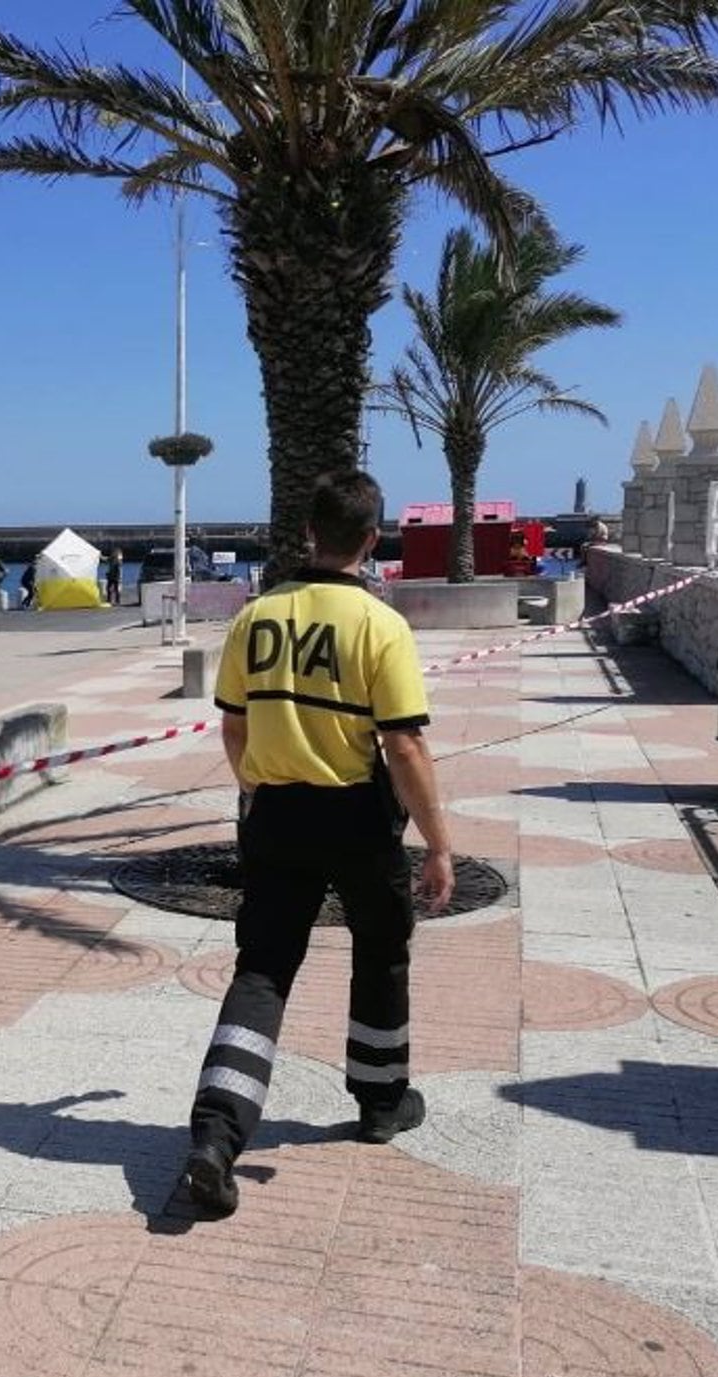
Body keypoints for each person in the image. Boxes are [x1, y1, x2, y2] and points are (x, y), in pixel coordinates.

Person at [181, 471, 455, 1218]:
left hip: (276, 814)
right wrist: (438, 844)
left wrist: (257, 791)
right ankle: (381, 1102)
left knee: (263, 970)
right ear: (372, 539)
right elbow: (404, 745)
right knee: (381, 950)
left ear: (309, 532)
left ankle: (216, 1138)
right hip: (358, 817)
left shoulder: (256, 617)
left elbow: (233, 727)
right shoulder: (379, 625)